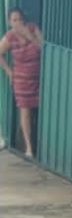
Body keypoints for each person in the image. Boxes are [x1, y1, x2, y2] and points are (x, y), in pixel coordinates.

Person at [0, 8, 42, 158]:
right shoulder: (9, 37)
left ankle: (42, 146)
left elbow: (43, 47)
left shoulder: (32, 28)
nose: (18, 22)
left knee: (41, 110)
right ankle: (29, 148)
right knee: (25, 112)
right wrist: (9, 71)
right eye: (14, 20)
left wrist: (28, 36)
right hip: (21, 81)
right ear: (9, 22)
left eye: (19, 19)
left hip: (39, 79)